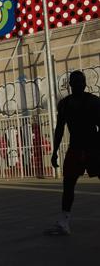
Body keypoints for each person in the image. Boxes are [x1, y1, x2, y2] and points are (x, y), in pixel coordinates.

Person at [49, 70, 100, 235]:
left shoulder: (93, 102)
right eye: (75, 82)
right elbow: (59, 129)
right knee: (68, 185)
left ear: (84, 84)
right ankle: (64, 220)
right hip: (77, 148)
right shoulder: (65, 104)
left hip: (93, 148)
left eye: (80, 82)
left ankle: (64, 220)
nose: (78, 85)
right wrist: (55, 151)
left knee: (68, 186)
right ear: (70, 85)